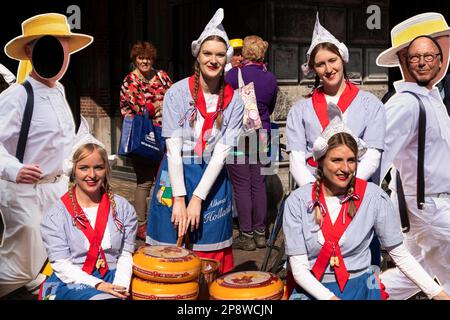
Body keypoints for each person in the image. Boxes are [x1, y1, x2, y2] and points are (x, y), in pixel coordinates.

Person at [282, 113, 450, 300]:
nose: (346, 168)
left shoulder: (373, 197)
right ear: (320, 162)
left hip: (362, 290)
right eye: (336, 160)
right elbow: (299, 271)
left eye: (351, 160)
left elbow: (400, 255)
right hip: (314, 292)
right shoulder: (297, 202)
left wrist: (439, 294)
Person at [0, 13, 93, 298]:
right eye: (51, 47)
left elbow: (71, 137)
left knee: (57, 251)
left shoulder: (61, 91)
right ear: (30, 51)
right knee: (19, 267)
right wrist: (13, 169)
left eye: (63, 48)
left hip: (56, 190)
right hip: (24, 193)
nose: (60, 56)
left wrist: (90, 152)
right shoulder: (16, 96)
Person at [146, 8, 244, 274]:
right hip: (175, 174)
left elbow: (222, 153)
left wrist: (198, 198)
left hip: (211, 180)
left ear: (227, 59)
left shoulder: (235, 100)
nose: (213, 60)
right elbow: (173, 150)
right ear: (197, 55)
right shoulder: (177, 93)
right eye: (208, 53)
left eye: (219, 55)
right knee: (169, 250)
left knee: (208, 253)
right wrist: (180, 197)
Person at [286, 13, 385, 266]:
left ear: (343, 59)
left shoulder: (370, 104)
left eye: (332, 60)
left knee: (360, 266)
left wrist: (347, 190)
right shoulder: (300, 110)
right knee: (312, 265)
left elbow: (373, 154)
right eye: (320, 64)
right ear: (313, 69)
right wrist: (319, 195)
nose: (328, 69)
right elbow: (297, 158)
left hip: (357, 197)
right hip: (314, 201)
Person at [375, 12, 450, 299]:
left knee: (410, 274)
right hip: (428, 208)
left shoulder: (431, 98)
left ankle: (362, 295)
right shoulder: (406, 104)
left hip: (429, 207)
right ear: (404, 60)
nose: (424, 61)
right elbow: (376, 156)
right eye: (417, 56)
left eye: (432, 54)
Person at [39, 135, 137, 300]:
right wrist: (99, 286)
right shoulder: (56, 215)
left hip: (114, 276)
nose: (91, 175)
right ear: (72, 170)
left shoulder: (123, 208)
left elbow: (125, 255)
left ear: (106, 169)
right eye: (84, 168)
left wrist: (120, 288)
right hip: (73, 279)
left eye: (98, 167)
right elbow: (62, 265)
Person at [225, 35, 278, 250]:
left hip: (239, 134)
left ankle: (246, 236)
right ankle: (260, 234)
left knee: (241, 186)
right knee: (259, 184)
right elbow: (271, 106)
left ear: (244, 52)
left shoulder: (231, 75)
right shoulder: (271, 78)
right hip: (264, 133)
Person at [119, 41, 172, 241]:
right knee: (144, 182)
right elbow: (140, 109)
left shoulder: (162, 76)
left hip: (164, 135)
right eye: (141, 58)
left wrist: (155, 106)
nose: (145, 61)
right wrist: (158, 104)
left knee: (165, 179)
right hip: (142, 137)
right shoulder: (130, 81)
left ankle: (162, 218)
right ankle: (141, 224)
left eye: (148, 58)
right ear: (135, 59)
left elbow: (174, 98)